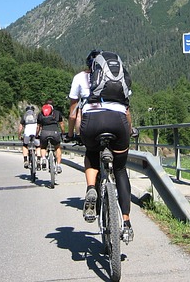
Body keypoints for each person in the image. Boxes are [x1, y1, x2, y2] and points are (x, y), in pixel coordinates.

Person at [66, 49, 134, 242]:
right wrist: (130, 130)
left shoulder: (80, 77)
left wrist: (71, 134)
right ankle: (127, 223)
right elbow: (126, 111)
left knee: (92, 154)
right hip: (118, 121)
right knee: (120, 169)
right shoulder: (118, 79)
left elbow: (72, 114)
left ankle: (90, 188)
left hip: (91, 123)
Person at [37, 99, 65, 173]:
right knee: (57, 147)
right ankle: (58, 166)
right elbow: (61, 124)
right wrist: (63, 133)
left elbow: (38, 127)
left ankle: (43, 158)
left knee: (43, 146)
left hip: (44, 133)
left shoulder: (40, 114)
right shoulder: (57, 113)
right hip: (55, 132)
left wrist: (37, 134)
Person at [18, 105, 41, 169]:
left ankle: (25, 161)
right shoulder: (36, 116)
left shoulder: (24, 116)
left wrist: (19, 136)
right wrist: (37, 134)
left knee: (25, 145)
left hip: (27, 133)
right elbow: (39, 126)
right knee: (38, 146)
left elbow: (20, 128)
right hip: (35, 133)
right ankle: (38, 159)